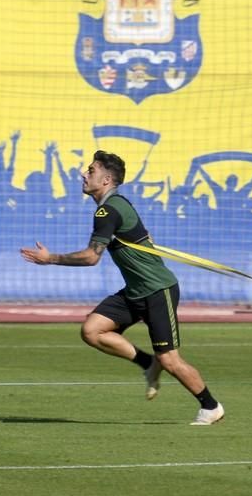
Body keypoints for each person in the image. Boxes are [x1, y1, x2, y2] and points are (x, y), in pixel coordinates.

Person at [20, 150, 224, 425]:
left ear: (106, 180)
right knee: (92, 330)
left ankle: (211, 406)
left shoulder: (109, 209)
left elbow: (92, 257)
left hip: (156, 290)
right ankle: (146, 363)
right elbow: (143, 235)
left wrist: (51, 259)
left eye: (91, 170)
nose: (84, 173)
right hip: (136, 290)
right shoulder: (113, 205)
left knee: (171, 360)